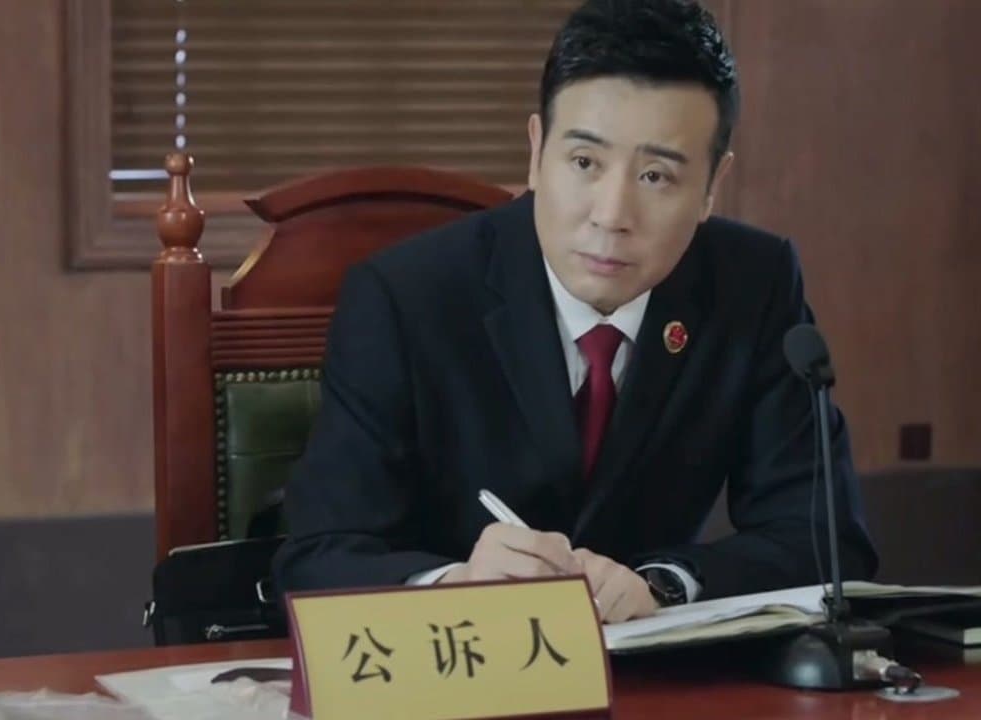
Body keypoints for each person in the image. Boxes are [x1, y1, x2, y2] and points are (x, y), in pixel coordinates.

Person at [272, 0, 877, 623]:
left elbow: (826, 542)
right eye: (585, 163)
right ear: (537, 152)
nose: (611, 216)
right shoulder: (404, 298)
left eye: (656, 177)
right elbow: (319, 556)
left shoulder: (754, 283)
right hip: (461, 660)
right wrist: (455, 583)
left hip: (656, 669)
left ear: (710, 188)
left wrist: (664, 585)